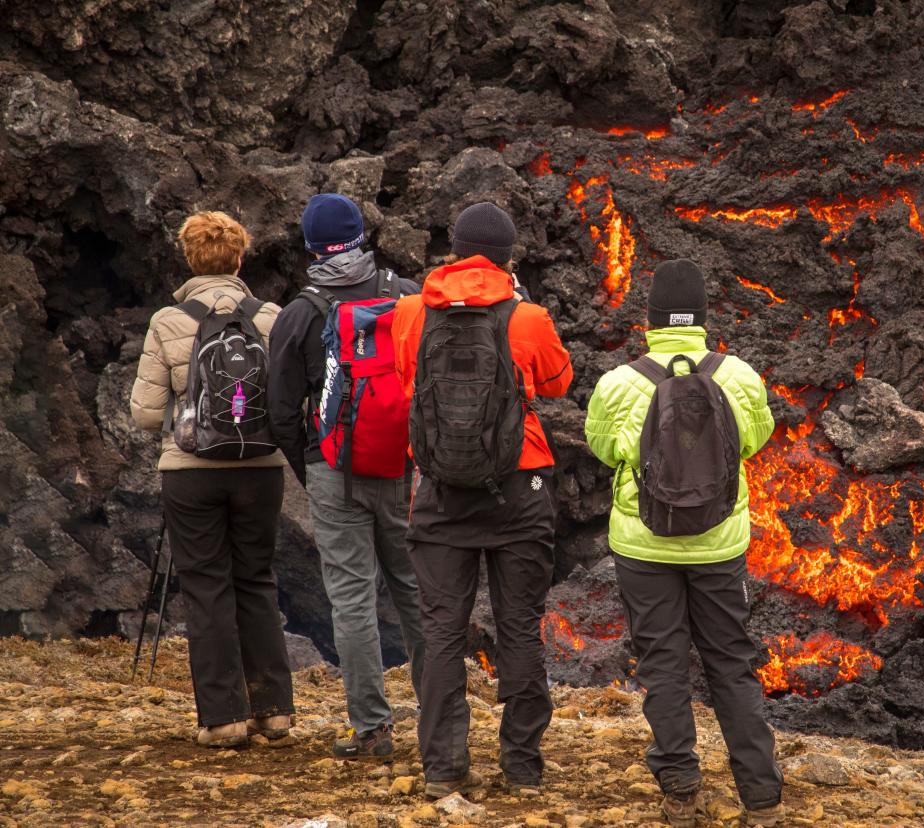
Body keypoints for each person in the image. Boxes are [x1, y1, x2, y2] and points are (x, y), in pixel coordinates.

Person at [584, 259, 785, 826]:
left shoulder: (620, 384)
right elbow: (755, 440)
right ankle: (762, 800)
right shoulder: (739, 376)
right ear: (701, 318)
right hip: (720, 546)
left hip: (643, 547)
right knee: (731, 665)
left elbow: (601, 448)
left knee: (663, 666)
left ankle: (679, 790)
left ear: (649, 320)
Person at [392, 201, 573, 798]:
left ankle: (443, 766)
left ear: (453, 248)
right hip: (519, 487)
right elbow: (556, 382)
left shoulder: (412, 311)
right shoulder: (528, 316)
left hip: (440, 491)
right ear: (507, 255)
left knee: (442, 630)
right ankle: (521, 766)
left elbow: (407, 382)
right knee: (519, 627)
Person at [267, 193, 426, 759]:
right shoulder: (405, 294)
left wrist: (312, 469)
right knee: (416, 592)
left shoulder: (300, 313)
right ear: (362, 234)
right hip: (402, 466)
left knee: (352, 599)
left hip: (332, 466)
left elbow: (282, 412)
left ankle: (372, 729)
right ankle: (439, 720)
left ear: (311, 246)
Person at [130, 210, 294, 748]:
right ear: (240, 257)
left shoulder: (167, 322)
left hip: (192, 473)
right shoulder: (271, 317)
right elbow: (290, 401)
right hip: (261, 470)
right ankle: (274, 711)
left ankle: (224, 719)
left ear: (189, 258)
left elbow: (147, 414)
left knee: (207, 588)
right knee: (256, 581)